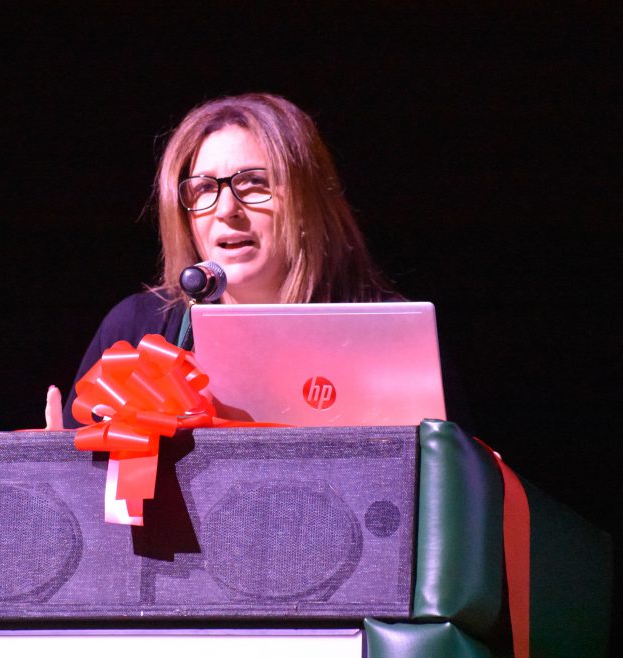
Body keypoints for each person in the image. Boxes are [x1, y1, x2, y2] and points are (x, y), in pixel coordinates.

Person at [47, 93, 395, 430]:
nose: (227, 209)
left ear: (305, 205)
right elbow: (73, 483)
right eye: (204, 188)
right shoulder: (137, 329)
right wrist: (56, 469)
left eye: (255, 183)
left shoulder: (386, 335)